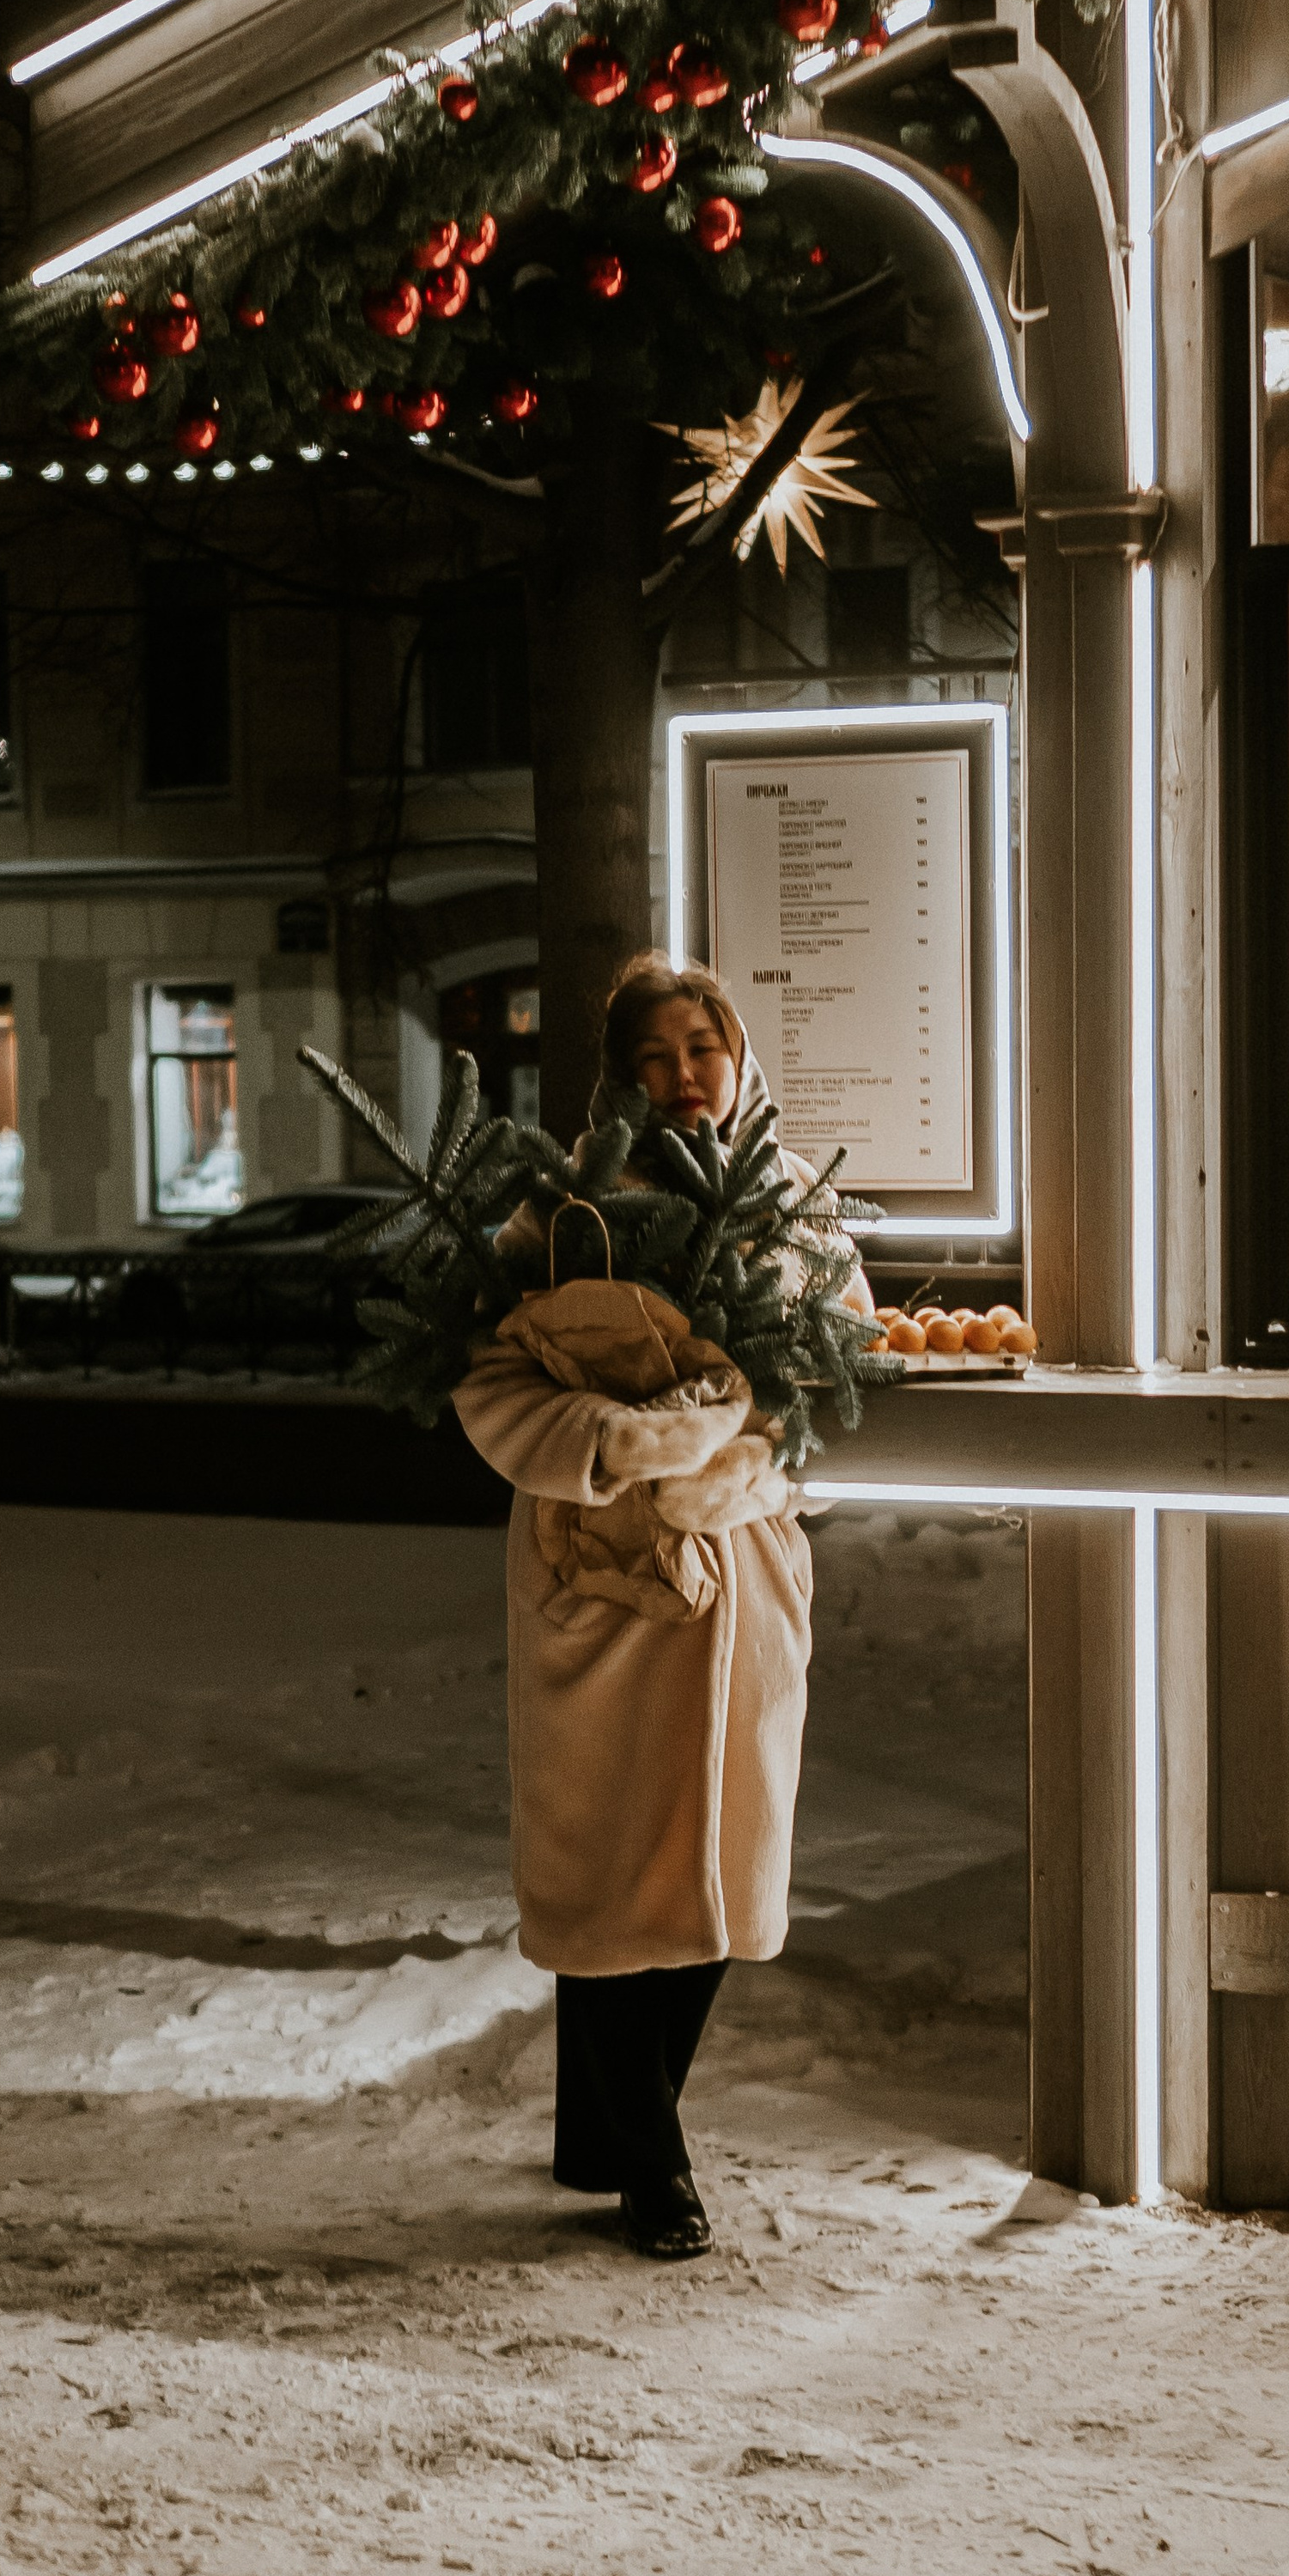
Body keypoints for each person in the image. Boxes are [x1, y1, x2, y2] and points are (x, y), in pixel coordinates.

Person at [451, 954, 867, 2261]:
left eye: (705, 1049)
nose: (687, 1077)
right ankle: (654, 2168)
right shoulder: (565, 1213)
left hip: (740, 1572)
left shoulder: (799, 1210)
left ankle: (607, 2133)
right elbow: (487, 1388)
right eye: (658, 1056)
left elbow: (844, 1373)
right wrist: (618, 1446)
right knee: (606, 1868)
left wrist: (747, 1464)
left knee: (720, 1871)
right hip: (598, 1577)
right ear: (622, 1077)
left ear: (738, 1059)